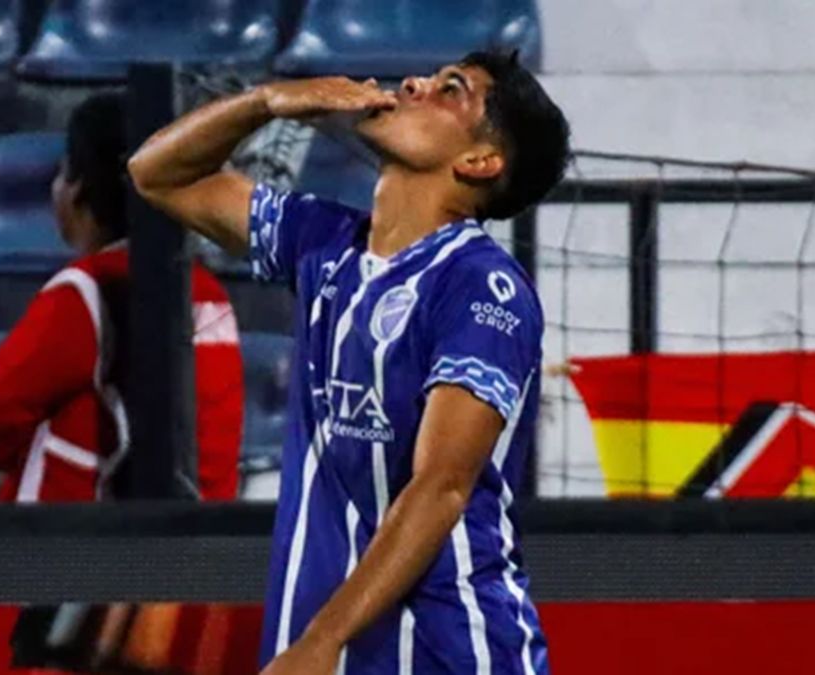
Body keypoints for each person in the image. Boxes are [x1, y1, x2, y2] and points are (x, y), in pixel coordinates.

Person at [129, 49, 570, 674]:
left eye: (450, 89)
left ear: (479, 160)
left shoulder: (481, 287)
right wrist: (267, 102)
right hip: (324, 641)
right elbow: (156, 174)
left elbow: (441, 488)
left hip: (448, 647)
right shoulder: (323, 241)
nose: (412, 83)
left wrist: (322, 640)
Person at [0, 92, 244, 503]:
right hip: (200, 533)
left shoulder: (86, 290)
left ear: (78, 189)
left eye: (62, 172)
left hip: (85, 537)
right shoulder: (212, 294)